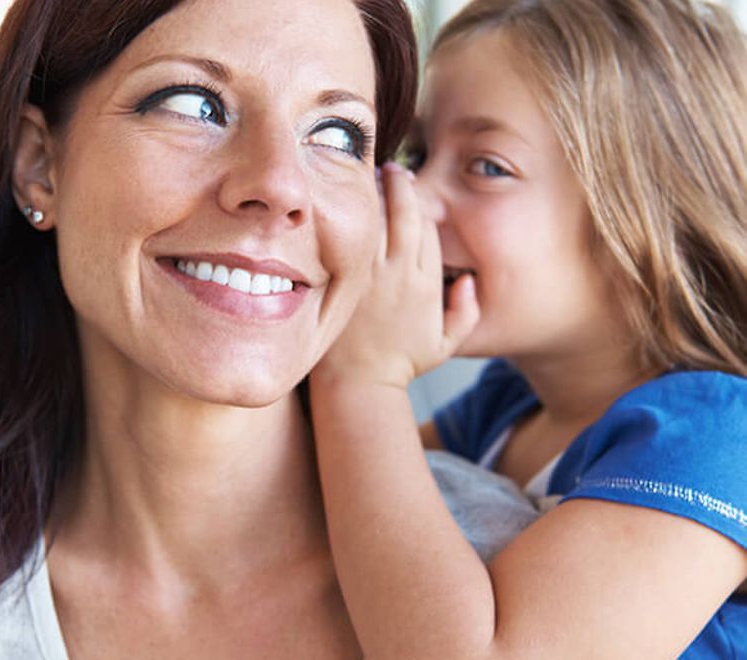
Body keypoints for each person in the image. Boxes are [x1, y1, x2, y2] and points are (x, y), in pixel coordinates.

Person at [0, 0, 419, 657]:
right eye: (193, 103)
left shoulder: (500, 585)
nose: (280, 186)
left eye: (339, 134)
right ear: (39, 165)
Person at [310, 0, 747, 657]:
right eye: (419, 152)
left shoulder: (718, 437)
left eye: (486, 166)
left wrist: (361, 380)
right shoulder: (507, 405)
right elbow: (339, 491)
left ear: (645, 221)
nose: (416, 195)